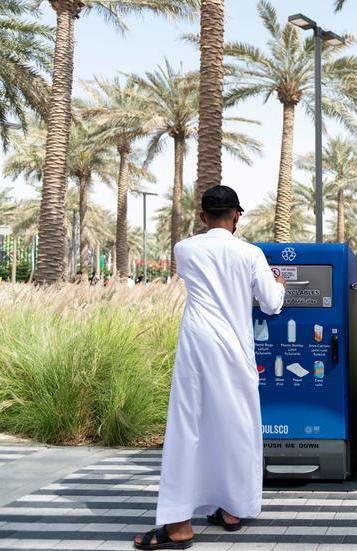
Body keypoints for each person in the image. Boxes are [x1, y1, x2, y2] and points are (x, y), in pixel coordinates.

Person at [135, 185, 286, 550]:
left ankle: (179, 526)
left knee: (190, 427)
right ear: (237, 215)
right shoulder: (250, 254)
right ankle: (233, 510)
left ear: (202, 216)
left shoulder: (184, 249)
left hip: (198, 348)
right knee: (237, 425)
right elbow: (270, 304)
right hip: (236, 350)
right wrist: (279, 284)